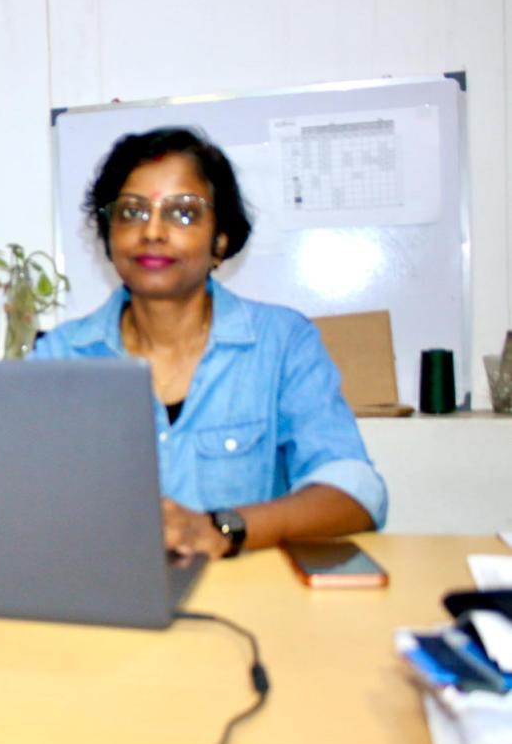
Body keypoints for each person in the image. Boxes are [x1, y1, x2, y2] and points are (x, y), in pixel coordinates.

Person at [32, 126, 388, 559]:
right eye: (131, 212)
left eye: (183, 213)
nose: (152, 231)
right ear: (109, 235)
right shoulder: (59, 356)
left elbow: (355, 491)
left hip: (246, 592)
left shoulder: (281, 343)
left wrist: (222, 528)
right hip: (107, 589)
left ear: (220, 240)